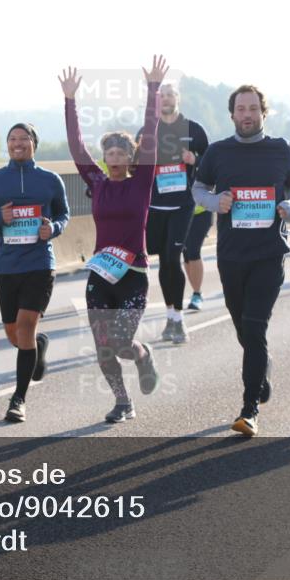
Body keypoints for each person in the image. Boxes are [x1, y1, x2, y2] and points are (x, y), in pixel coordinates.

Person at [193, 85, 290, 437]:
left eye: (253, 108)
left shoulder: (280, 148)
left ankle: (249, 409)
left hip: (269, 253)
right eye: (241, 109)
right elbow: (197, 189)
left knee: (255, 328)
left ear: (263, 113)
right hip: (231, 255)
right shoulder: (217, 151)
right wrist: (215, 203)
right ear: (232, 115)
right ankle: (262, 368)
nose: (247, 114)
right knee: (244, 329)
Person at [61, 57, 165, 422]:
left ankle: (142, 355)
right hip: (101, 275)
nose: (115, 157)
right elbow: (76, 147)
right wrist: (70, 101)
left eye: (122, 153)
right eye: (110, 153)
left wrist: (153, 89)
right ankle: (123, 402)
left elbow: (151, 132)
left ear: (132, 157)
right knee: (103, 348)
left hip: (133, 273)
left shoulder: (142, 181)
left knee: (121, 345)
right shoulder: (98, 183)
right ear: (104, 157)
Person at [0, 122, 70, 423]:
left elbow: (63, 215)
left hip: (40, 263)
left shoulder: (51, 180)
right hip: (6, 266)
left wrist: (52, 228)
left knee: (26, 325)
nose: (17, 144)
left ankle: (18, 399)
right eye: (12, 139)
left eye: (23, 139)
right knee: (16, 335)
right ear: (7, 144)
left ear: (33, 144)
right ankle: (38, 347)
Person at [137, 83, 209, 343]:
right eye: (161, 96)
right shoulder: (147, 131)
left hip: (183, 204)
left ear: (178, 98)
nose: (165, 99)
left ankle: (179, 321)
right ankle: (170, 315)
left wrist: (195, 160)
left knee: (173, 255)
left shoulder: (194, 129)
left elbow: (211, 164)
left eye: (169, 94)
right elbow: (136, 166)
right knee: (164, 261)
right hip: (155, 206)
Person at [183, 204, 213, 311]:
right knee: (186, 255)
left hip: (201, 212)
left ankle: (197, 294)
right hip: (181, 213)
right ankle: (196, 292)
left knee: (193, 251)